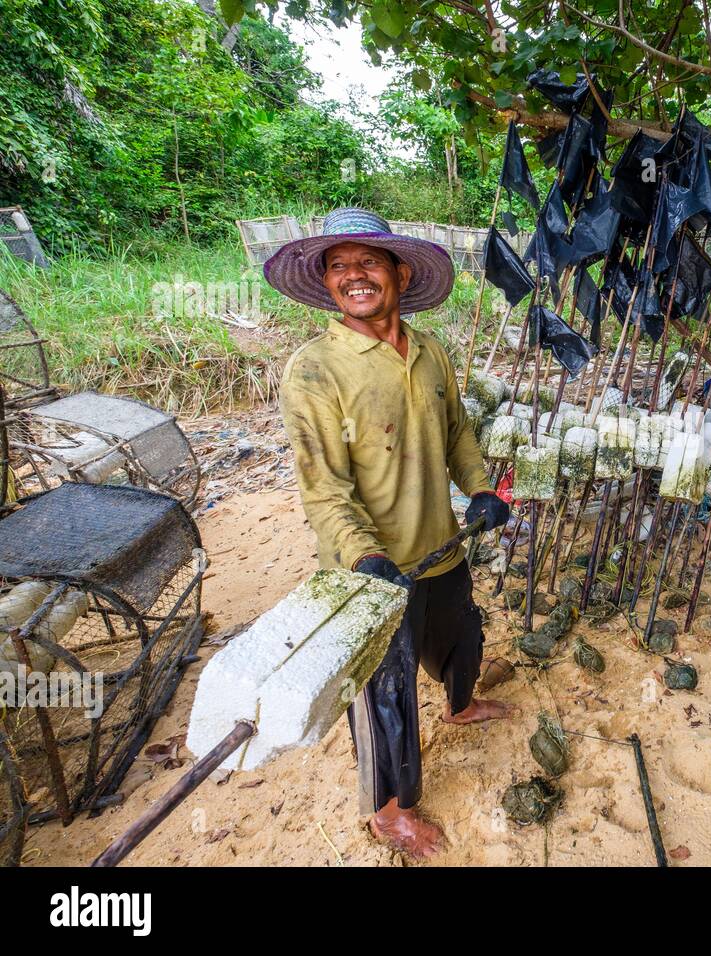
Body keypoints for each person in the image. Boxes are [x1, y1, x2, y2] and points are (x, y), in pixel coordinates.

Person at [266, 207, 515, 858]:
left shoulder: (431, 352)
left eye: (368, 261)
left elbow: (458, 431)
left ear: (400, 272)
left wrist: (482, 486)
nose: (353, 275)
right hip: (369, 573)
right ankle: (388, 813)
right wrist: (364, 555)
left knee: (461, 637)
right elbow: (323, 487)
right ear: (326, 284)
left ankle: (460, 705)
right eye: (338, 265)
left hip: (440, 547)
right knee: (385, 699)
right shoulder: (315, 370)